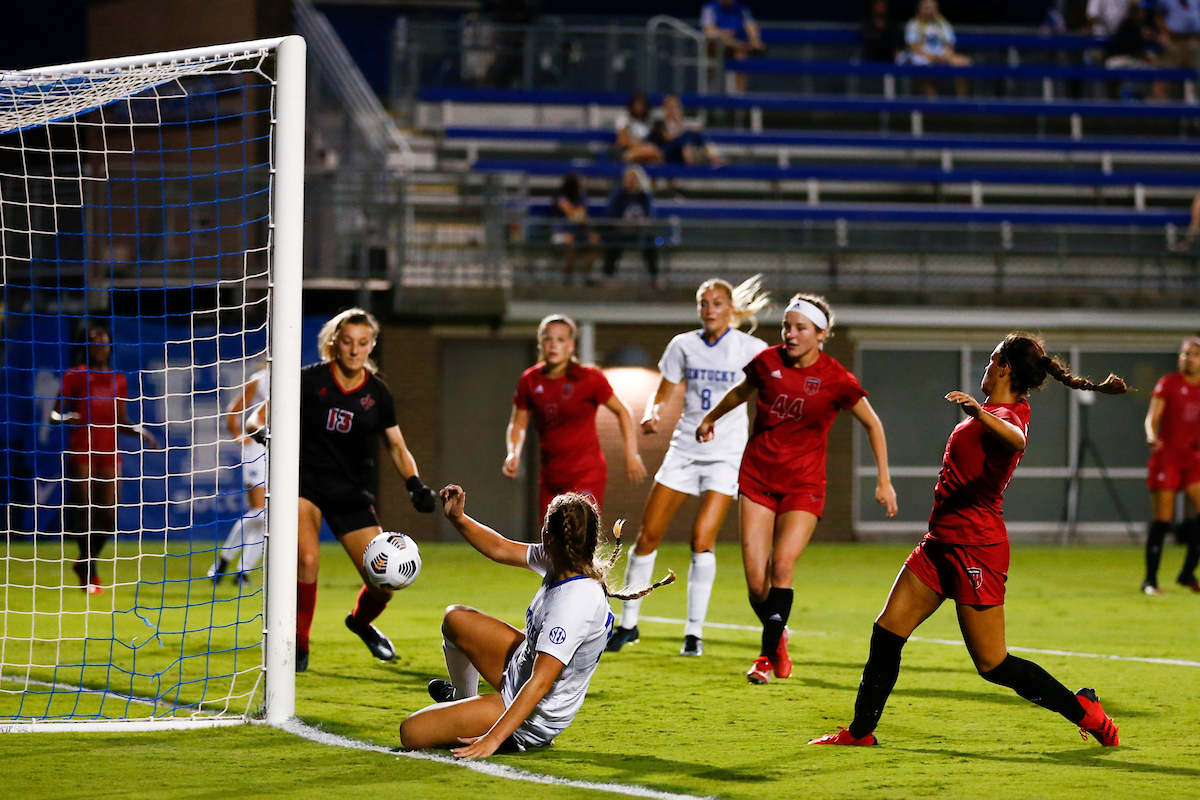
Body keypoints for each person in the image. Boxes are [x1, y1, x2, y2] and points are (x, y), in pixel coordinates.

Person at [809, 333, 1126, 748]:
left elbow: (1016, 438)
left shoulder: (1008, 414)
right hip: (938, 545)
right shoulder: (996, 410)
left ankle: (1085, 711)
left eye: (992, 360)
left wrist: (978, 413)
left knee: (993, 664)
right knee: (886, 632)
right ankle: (860, 733)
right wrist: (980, 413)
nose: (986, 367)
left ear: (1005, 368)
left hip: (975, 548)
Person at [695, 294, 899, 683]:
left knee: (783, 565)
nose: (789, 334)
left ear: (821, 334)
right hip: (758, 477)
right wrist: (710, 418)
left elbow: (872, 424)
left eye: (799, 328)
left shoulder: (837, 378)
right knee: (757, 584)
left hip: (804, 484)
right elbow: (741, 392)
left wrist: (884, 480)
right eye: (786, 326)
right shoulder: (767, 362)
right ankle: (779, 636)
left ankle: (765, 657)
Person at [400, 486, 673, 757]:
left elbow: (540, 683)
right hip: (521, 666)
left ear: (548, 536)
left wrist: (492, 739)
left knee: (412, 732)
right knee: (455, 619)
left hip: (533, 713)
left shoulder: (574, 603)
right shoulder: (563, 559)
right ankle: (462, 699)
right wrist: (458, 518)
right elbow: (499, 547)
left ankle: (516, 738)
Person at [607, 276, 770, 657]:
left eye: (717, 303)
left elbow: (770, 387)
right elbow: (664, 391)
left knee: (701, 539)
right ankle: (628, 625)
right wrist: (652, 412)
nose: (710, 309)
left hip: (726, 454)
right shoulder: (683, 345)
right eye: (704, 303)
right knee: (647, 536)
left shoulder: (751, 348)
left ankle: (694, 633)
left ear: (731, 308)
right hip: (684, 449)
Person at [295, 308, 439, 672]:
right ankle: (298, 648)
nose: (354, 350)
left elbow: (396, 446)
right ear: (334, 343)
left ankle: (360, 623)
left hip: (351, 493)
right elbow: (261, 415)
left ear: (371, 345)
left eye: (362, 343)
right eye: (347, 342)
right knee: (307, 561)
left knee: (384, 583)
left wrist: (415, 485)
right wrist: (257, 428)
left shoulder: (377, 393)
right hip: (305, 485)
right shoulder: (309, 380)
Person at [504, 314, 647, 523]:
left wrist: (632, 453)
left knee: (579, 532)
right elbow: (518, 423)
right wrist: (513, 453)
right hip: (551, 478)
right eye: (548, 339)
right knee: (550, 538)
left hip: (586, 474)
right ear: (541, 343)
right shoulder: (530, 380)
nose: (554, 345)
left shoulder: (589, 377)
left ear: (571, 346)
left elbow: (623, 411)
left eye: (561, 340)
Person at [51, 324, 159, 595]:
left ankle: (85, 561)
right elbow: (54, 414)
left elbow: (121, 420)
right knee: (84, 509)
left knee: (109, 514)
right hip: (82, 450)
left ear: (110, 347)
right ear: (87, 347)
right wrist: (66, 417)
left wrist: (141, 431)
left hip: (110, 452)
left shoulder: (117, 379)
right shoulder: (75, 376)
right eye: (95, 343)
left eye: (104, 343)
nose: (101, 348)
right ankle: (90, 573)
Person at [1141, 336, 1200, 594]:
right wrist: (1151, 435)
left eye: (1195, 354)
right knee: (1163, 518)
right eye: (1185, 353)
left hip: (1193, 458)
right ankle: (1150, 581)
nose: (1189, 358)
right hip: (1167, 457)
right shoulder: (1169, 383)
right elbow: (1152, 417)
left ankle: (1187, 573)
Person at [209, 362, 270, 586]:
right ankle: (226, 561)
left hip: (281, 453)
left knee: (270, 518)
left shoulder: (296, 379)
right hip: (258, 449)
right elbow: (234, 410)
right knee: (260, 513)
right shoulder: (260, 379)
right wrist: (238, 435)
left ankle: (240, 571)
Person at [601, 166, 662, 288]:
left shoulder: (644, 197)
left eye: (633, 178)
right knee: (612, 241)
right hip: (621, 231)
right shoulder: (619, 196)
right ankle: (608, 275)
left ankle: (654, 277)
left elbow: (650, 216)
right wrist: (623, 225)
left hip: (640, 232)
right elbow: (612, 216)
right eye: (628, 178)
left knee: (651, 241)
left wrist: (640, 223)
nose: (630, 181)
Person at [900, 0, 972, 98]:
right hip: (922, 56)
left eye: (931, 8)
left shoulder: (943, 24)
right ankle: (933, 101)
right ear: (920, 9)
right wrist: (931, 57)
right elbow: (913, 46)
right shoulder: (913, 24)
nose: (929, 11)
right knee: (924, 69)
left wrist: (945, 56)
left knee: (964, 63)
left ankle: (961, 100)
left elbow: (949, 44)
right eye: (926, 8)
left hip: (943, 56)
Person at [701, 0, 766, 93]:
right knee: (721, 40)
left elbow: (751, 27)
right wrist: (723, 33)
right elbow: (708, 29)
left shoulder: (742, 9)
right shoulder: (710, 8)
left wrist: (755, 40)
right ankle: (746, 47)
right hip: (716, 46)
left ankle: (739, 96)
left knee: (741, 57)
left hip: (735, 47)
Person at [548, 174, 601, 286]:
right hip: (557, 234)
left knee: (595, 240)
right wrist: (578, 217)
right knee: (569, 240)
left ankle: (587, 274)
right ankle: (568, 273)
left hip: (579, 231)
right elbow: (571, 214)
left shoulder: (581, 196)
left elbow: (580, 215)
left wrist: (580, 219)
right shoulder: (560, 196)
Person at [614, 93, 662, 166]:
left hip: (646, 150)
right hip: (628, 150)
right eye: (637, 104)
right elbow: (623, 142)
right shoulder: (624, 119)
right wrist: (640, 146)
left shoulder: (650, 121)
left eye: (641, 104)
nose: (639, 107)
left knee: (656, 157)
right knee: (652, 152)